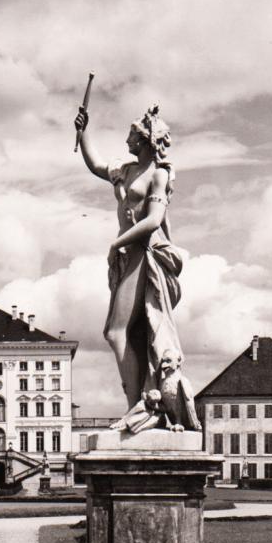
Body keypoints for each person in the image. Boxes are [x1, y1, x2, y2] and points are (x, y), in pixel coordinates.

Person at [74, 103, 183, 420]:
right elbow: (95, 164)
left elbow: (153, 221)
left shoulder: (159, 176)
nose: (126, 141)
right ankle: (140, 403)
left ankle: (138, 406)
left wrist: (116, 243)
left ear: (147, 140)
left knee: (116, 331)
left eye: (132, 135)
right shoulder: (127, 169)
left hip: (142, 255)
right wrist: (83, 132)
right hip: (127, 256)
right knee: (130, 332)